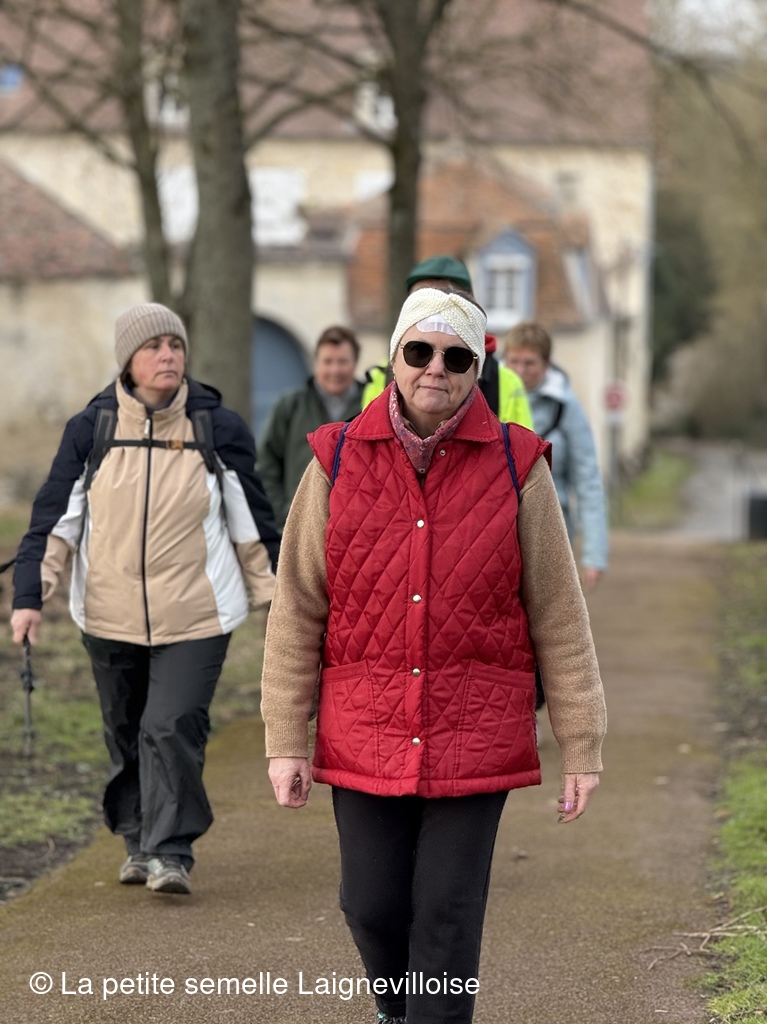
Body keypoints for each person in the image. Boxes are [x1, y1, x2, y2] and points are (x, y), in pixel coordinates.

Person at [260, 288, 606, 1024]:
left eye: (456, 357)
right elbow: (297, 606)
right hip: (366, 722)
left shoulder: (517, 463)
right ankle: (399, 1010)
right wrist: (285, 739)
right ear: (394, 359)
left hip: (474, 728)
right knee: (371, 905)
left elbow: (558, 612)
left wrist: (581, 743)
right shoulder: (335, 460)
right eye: (419, 351)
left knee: (447, 913)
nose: (435, 369)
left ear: (476, 369)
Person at [10, 302, 280, 896]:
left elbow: (252, 525)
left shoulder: (216, 427)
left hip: (199, 612)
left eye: (175, 345)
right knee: (126, 728)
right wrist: (30, 595)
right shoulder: (93, 429)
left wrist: (276, 603)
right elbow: (55, 523)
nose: (168, 355)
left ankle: (170, 850)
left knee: (172, 724)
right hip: (108, 612)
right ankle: (138, 839)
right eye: (153, 346)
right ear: (127, 360)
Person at [361, 254, 533, 429]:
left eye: (457, 358)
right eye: (424, 299)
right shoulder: (380, 376)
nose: (436, 369)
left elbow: (520, 441)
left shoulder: (505, 382)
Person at [504, 320, 608, 590]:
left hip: (553, 532)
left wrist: (594, 554)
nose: (520, 370)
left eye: (529, 363)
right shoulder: (488, 398)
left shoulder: (566, 408)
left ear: (546, 364)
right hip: (500, 529)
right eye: (514, 361)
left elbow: (587, 481)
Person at [259, 325, 363, 531]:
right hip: (300, 527)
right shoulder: (290, 406)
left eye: (342, 361)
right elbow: (266, 463)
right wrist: (284, 513)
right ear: (316, 363)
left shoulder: (371, 407)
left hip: (357, 529)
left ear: (355, 363)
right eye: (328, 361)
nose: (335, 370)